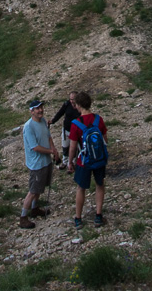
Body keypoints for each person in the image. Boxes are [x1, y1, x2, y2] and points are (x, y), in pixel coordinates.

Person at [68, 91, 108, 230]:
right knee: (99, 185)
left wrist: (70, 162)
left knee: (81, 188)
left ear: (78, 105)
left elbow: (73, 147)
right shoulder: (98, 119)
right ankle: (98, 215)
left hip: (83, 161)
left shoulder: (76, 124)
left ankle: (78, 218)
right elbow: (105, 140)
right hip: (99, 158)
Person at [20, 100, 60, 229]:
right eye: (37, 109)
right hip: (36, 163)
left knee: (40, 188)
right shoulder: (29, 127)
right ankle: (23, 217)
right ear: (31, 111)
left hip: (45, 161)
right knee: (33, 190)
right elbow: (35, 147)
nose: (40, 110)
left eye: (41, 107)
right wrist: (51, 151)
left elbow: (48, 137)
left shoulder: (43, 121)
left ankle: (35, 208)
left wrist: (53, 150)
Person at [47, 91, 79, 170]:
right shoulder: (66, 104)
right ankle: (65, 162)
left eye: (73, 99)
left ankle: (72, 163)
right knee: (65, 146)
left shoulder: (79, 106)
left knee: (74, 147)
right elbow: (60, 113)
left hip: (76, 131)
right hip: (66, 129)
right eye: (70, 99)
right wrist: (53, 121)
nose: (72, 101)